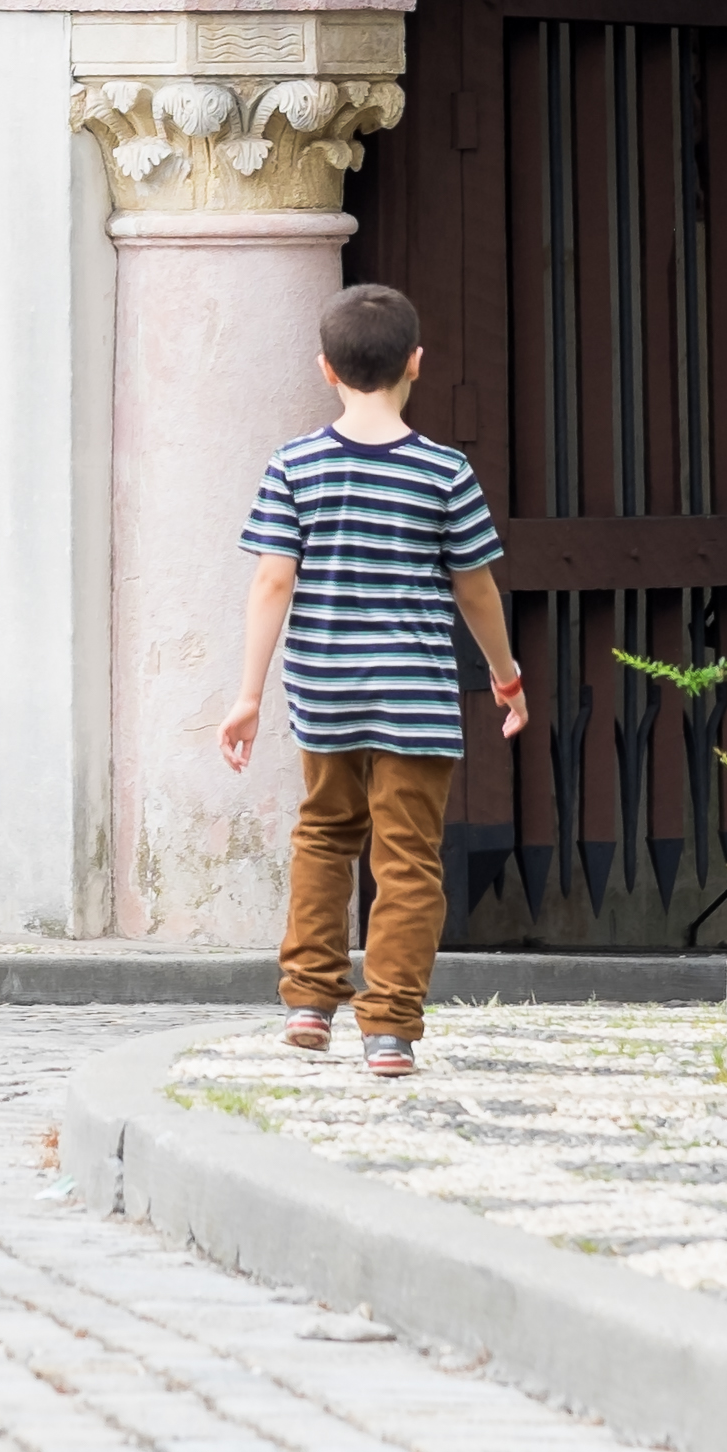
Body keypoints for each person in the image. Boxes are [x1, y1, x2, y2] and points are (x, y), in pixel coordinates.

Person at [218, 278, 530, 1077]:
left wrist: (249, 695)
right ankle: (388, 1028)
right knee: (408, 858)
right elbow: (474, 586)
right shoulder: (443, 472)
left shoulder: (293, 466)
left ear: (325, 369)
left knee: (322, 836)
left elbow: (271, 583)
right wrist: (504, 674)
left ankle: (309, 1005)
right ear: (415, 364)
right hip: (416, 694)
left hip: (323, 687)